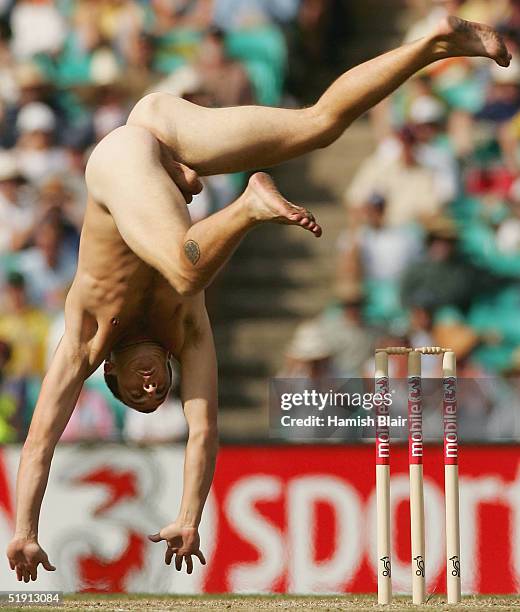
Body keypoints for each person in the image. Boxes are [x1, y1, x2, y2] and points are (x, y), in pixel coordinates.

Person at [6, 15, 511, 583]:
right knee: (318, 126)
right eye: (159, 392)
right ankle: (436, 43)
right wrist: (189, 516)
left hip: (121, 156)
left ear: (114, 376)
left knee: (182, 266)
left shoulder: (86, 337)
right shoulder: (186, 332)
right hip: (159, 128)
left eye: (137, 392)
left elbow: (39, 442)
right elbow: (203, 431)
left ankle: (248, 202)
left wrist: (24, 530)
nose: (152, 388)